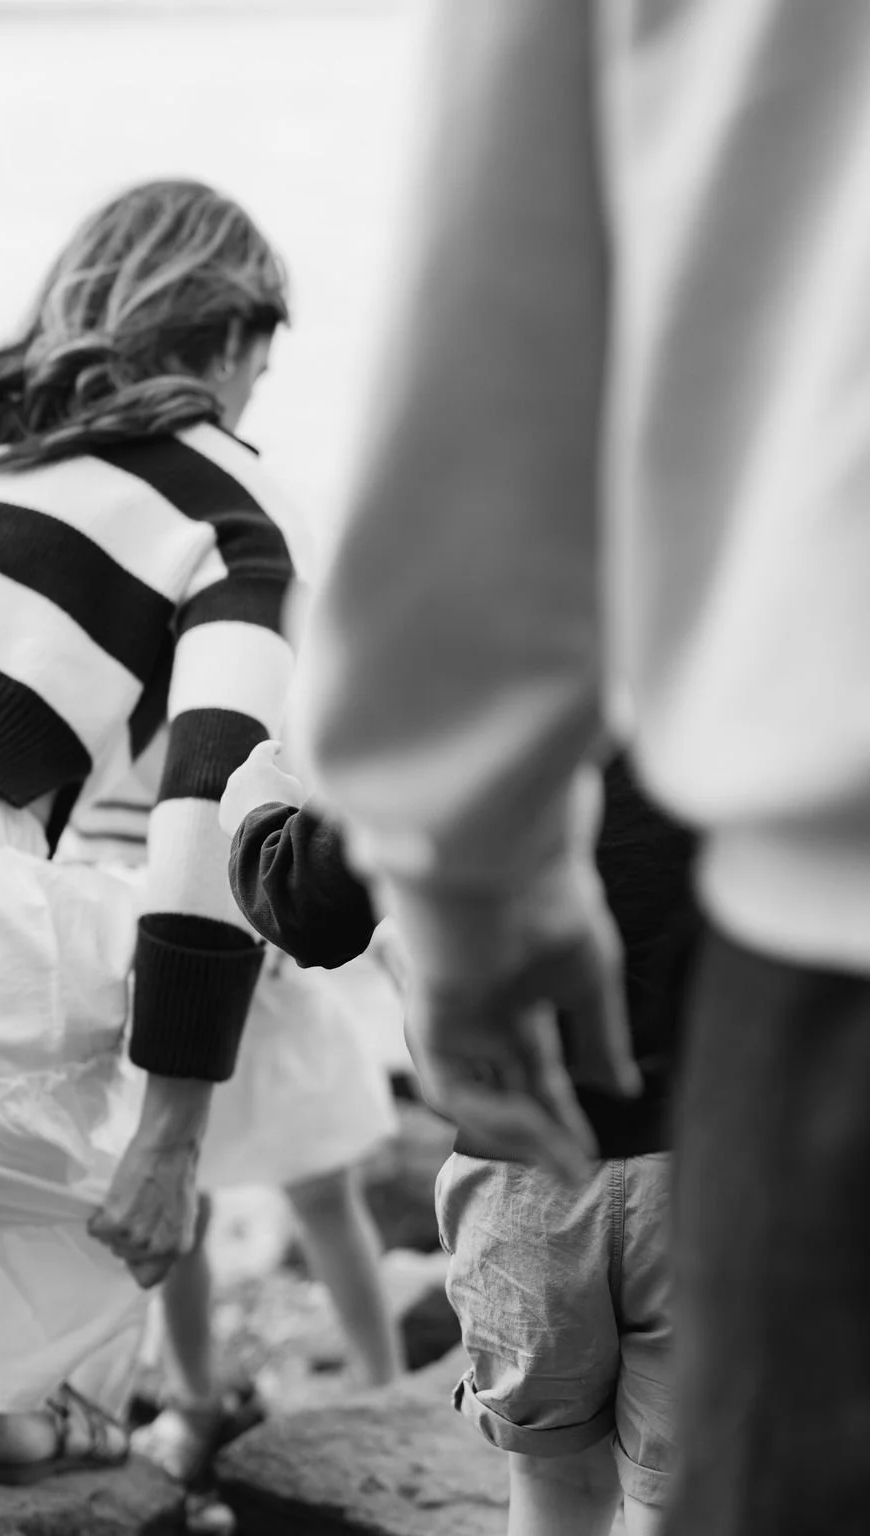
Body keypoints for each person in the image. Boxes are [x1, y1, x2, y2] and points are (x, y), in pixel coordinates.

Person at [295, 2, 870, 1531]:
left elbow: (497, 329)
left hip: (776, 977)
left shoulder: (654, 684)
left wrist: (453, 872)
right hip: (696, 1128)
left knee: (570, 1479)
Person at [0, 178, 296, 1492]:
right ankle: (17, 1411)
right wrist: (173, 1131)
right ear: (229, 339)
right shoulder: (221, 498)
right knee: (136, 1208)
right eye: (263, 359)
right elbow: (213, 807)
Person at [226, 739, 698, 1535]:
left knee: (556, 1489)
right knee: (673, 1495)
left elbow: (308, 907)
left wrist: (251, 813)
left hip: (519, 1180)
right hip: (704, 1171)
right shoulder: (727, 693)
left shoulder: (465, 703)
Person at [57, 731, 403, 1495]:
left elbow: (298, 776)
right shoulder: (115, 726)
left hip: (270, 977)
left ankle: (384, 1383)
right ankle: (193, 1396)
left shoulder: (249, 678)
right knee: (185, 1206)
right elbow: (87, 829)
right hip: (165, 972)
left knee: (324, 1192)